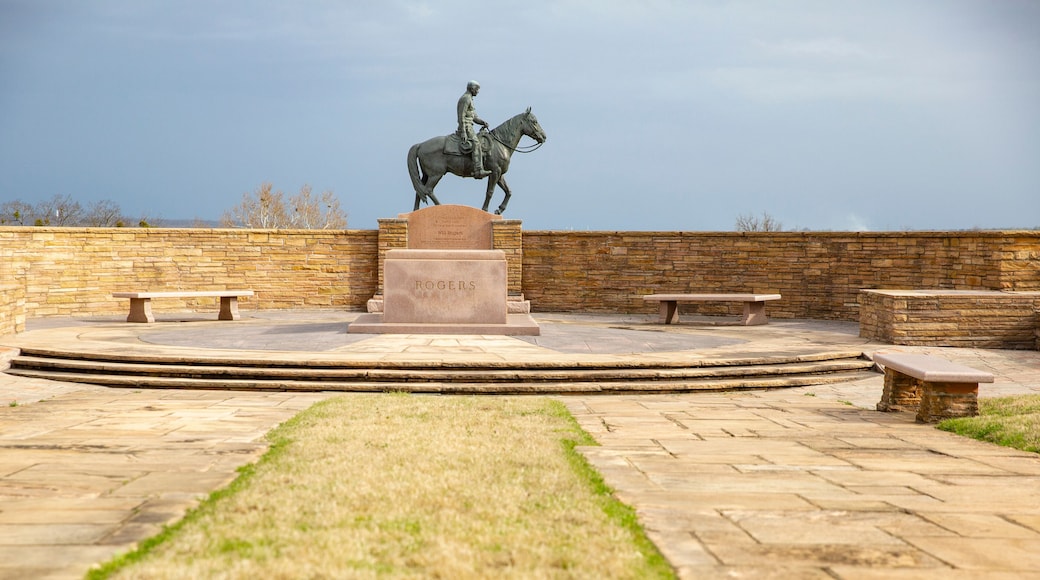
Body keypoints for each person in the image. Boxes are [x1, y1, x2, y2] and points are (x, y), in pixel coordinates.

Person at [457, 80, 491, 179]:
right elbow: (461, 116)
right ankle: (478, 170)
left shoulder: (470, 99)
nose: (478, 91)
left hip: (470, 125)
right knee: (476, 144)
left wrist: (483, 122)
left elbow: (474, 117)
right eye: (477, 89)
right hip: (466, 126)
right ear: (472, 89)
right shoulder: (466, 99)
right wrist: (463, 131)